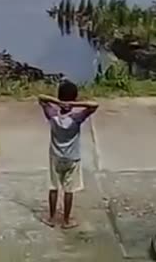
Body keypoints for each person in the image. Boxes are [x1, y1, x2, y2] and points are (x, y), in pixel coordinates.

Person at [37, 80, 99, 229]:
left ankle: (51, 218)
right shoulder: (76, 118)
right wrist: (73, 104)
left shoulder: (53, 115)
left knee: (53, 187)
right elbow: (94, 105)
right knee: (69, 190)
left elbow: (41, 98)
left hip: (55, 157)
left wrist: (59, 102)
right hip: (72, 158)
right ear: (75, 97)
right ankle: (66, 220)